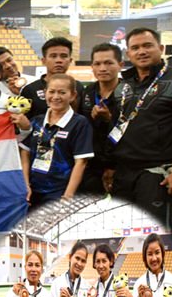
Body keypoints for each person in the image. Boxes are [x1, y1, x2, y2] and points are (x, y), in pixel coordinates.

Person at [104, 28, 172, 242]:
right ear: (128, 54)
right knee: (122, 243)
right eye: (135, 48)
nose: (141, 51)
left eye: (147, 46)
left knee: (159, 244)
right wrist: (109, 165)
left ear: (160, 49)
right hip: (123, 177)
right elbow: (117, 127)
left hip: (156, 177)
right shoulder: (123, 85)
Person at [20, 74, 93, 205]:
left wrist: (68, 196)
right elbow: (25, 153)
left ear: (72, 95)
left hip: (59, 192)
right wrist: (25, 185)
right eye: (51, 91)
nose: (55, 97)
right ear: (45, 93)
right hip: (33, 191)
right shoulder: (37, 120)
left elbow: (81, 162)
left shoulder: (79, 123)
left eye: (62, 92)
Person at [78, 43, 124, 194]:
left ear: (120, 65)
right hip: (92, 166)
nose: (102, 68)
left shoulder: (130, 94)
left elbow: (132, 134)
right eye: (97, 64)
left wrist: (109, 120)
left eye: (109, 63)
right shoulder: (88, 92)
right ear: (92, 66)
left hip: (122, 167)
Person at [21, 37, 84, 119]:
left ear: (70, 60)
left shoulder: (78, 87)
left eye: (64, 56)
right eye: (53, 56)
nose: (59, 60)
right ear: (43, 61)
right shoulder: (30, 90)